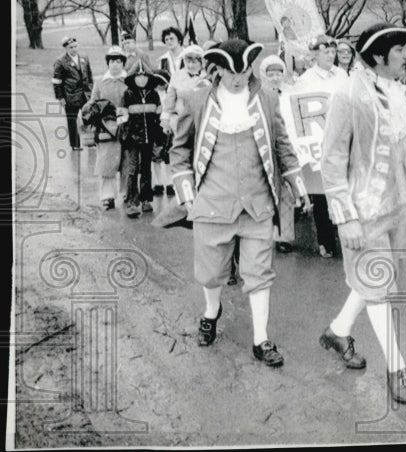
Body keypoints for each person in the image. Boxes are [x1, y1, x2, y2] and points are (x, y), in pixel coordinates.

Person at [171, 39, 308, 368]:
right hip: (212, 203)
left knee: (259, 273)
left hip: (257, 203)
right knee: (212, 273)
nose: (237, 78)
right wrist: (188, 197)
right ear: (217, 69)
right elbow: (179, 152)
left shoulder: (267, 98)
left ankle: (261, 339)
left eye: (244, 70)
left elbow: (283, 145)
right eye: (231, 71)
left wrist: (297, 184)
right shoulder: (196, 99)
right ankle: (211, 312)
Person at [318, 23, 406, 405]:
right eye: (401, 50)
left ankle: (337, 331)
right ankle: (396, 369)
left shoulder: (393, 90)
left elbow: (397, 150)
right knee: (379, 287)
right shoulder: (349, 93)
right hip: (362, 211)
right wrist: (345, 216)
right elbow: (330, 160)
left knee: (372, 280)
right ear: (380, 56)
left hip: (393, 208)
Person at [301, 35, 349, 259]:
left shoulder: (342, 75)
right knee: (321, 193)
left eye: (332, 52)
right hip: (318, 141)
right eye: (325, 52)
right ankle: (325, 239)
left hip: (340, 138)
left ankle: (343, 233)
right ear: (315, 54)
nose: (330, 55)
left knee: (341, 187)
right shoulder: (307, 78)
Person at [82, 46, 129, 210]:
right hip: (105, 128)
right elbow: (93, 102)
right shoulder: (100, 82)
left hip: (126, 127)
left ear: (123, 63)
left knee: (127, 162)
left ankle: (127, 194)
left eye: (118, 61)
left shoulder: (129, 81)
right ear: (107, 63)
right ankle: (107, 196)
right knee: (106, 162)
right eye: (111, 61)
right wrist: (87, 111)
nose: (115, 64)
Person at [259, 54, 297, 254]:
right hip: (265, 149)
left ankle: (285, 236)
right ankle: (265, 234)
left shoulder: (291, 94)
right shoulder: (258, 96)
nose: (275, 77)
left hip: (287, 147)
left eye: (279, 73)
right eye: (271, 74)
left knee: (287, 193)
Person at [120, 64, 166, 218]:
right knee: (132, 169)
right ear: (133, 78)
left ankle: (146, 199)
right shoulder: (127, 94)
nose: (141, 79)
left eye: (144, 76)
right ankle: (132, 202)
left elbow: (159, 117)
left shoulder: (154, 95)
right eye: (138, 76)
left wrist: (158, 136)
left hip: (149, 138)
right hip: (132, 139)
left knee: (146, 169)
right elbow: (122, 118)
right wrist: (126, 136)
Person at [52, 36, 93, 151]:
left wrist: (92, 91)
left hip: (85, 94)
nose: (74, 49)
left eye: (75, 46)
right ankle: (75, 144)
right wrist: (60, 97)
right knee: (72, 120)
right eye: (71, 47)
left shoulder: (84, 58)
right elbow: (56, 82)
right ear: (66, 48)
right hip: (70, 96)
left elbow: (90, 75)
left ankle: (91, 141)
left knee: (89, 117)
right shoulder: (60, 62)